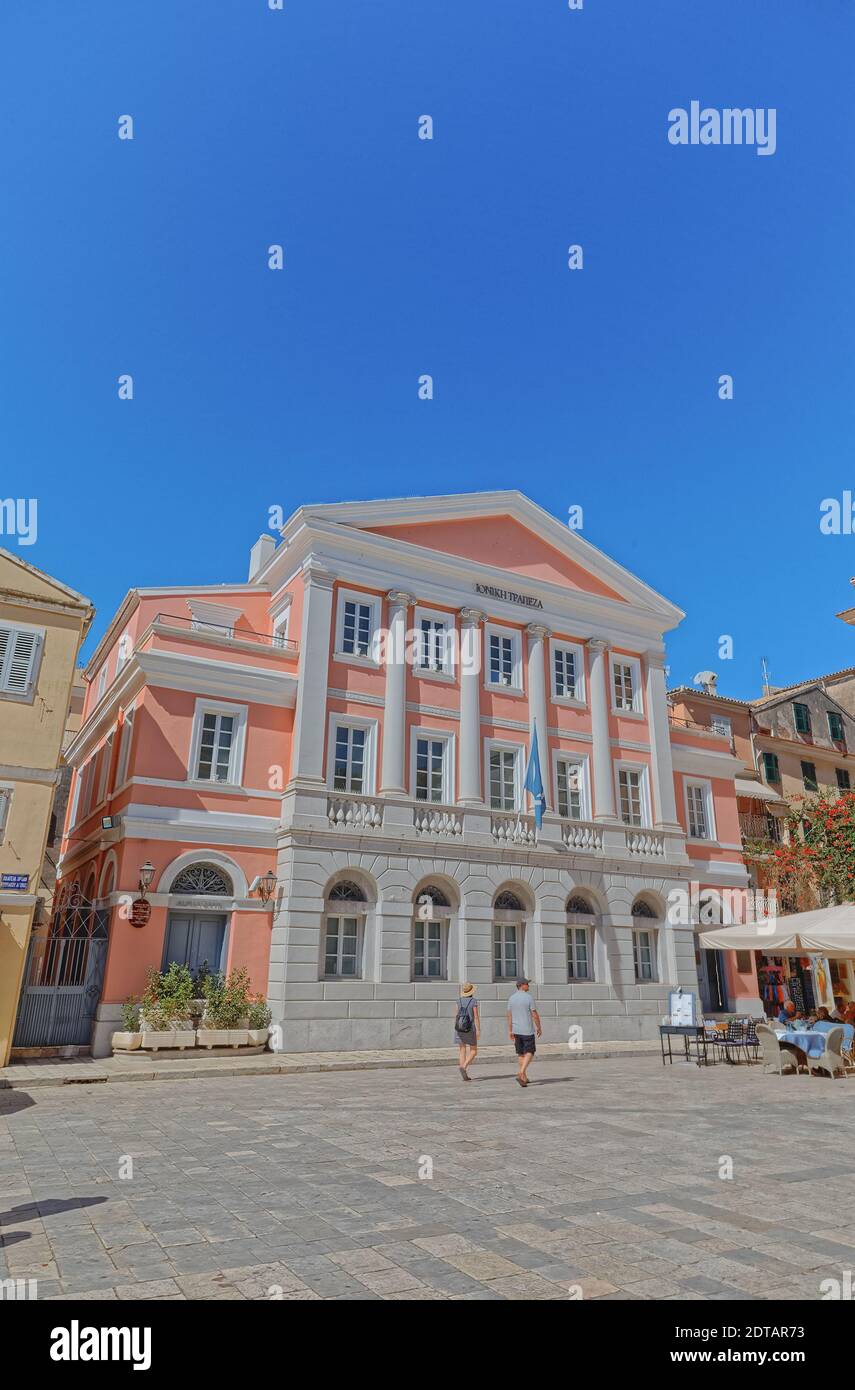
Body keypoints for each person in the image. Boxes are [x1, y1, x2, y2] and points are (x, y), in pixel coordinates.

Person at [507, 977, 541, 1087]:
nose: (528, 985)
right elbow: (534, 1014)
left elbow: (509, 1015)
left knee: (521, 1054)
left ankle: (524, 1077)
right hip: (527, 1030)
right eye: (527, 984)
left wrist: (510, 1030)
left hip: (516, 1030)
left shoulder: (511, 998)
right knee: (530, 1052)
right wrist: (539, 1027)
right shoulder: (528, 997)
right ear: (521, 985)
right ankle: (521, 1072)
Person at [454, 983, 479, 1081]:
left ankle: (463, 1071)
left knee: (462, 1050)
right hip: (470, 1028)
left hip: (459, 1028)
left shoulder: (458, 1001)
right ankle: (464, 1067)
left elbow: (456, 1015)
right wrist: (478, 1030)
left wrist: (457, 1027)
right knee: (473, 1051)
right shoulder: (473, 1001)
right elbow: (476, 1016)